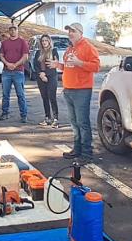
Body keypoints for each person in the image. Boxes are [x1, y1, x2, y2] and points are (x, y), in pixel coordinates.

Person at [51, 22, 100, 160]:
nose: (70, 33)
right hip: (69, 90)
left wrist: (80, 63)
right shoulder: (70, 49)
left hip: (82, 90)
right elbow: (68, 67)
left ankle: (86, 153)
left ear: (80, 33)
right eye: (69, 31)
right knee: (74, 122)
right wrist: (58, 65)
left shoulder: (88, 47)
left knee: (82, 122)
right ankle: (77, 149)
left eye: (73, 31)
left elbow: (96, 67)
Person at [0, 23, 28, 123]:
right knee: (5, 94)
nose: (12, 31)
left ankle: (23, 115)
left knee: (20, 94)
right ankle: (5, 113)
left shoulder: (22, 42)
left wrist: (15, 64)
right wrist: (7, 63)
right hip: (6, 72)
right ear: (9, 31)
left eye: (14, 29)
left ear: (17, 30)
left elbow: (25, 56)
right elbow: (1, 55)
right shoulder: (5, 43)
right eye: (11, 29)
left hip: (18, 72)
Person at [31, 34, 60, 127]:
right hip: (41, 77)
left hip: (51, 77)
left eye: (46, 40)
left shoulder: (54, 51)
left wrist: (46, 74)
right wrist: (41, 74)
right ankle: (47, 118)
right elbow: (35, 65)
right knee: (45, 98)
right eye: (43, 41)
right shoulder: (38, 52)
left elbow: (54, 65)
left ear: (49, 41)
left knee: (52, 97)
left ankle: (55, 119)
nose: (44, 42)